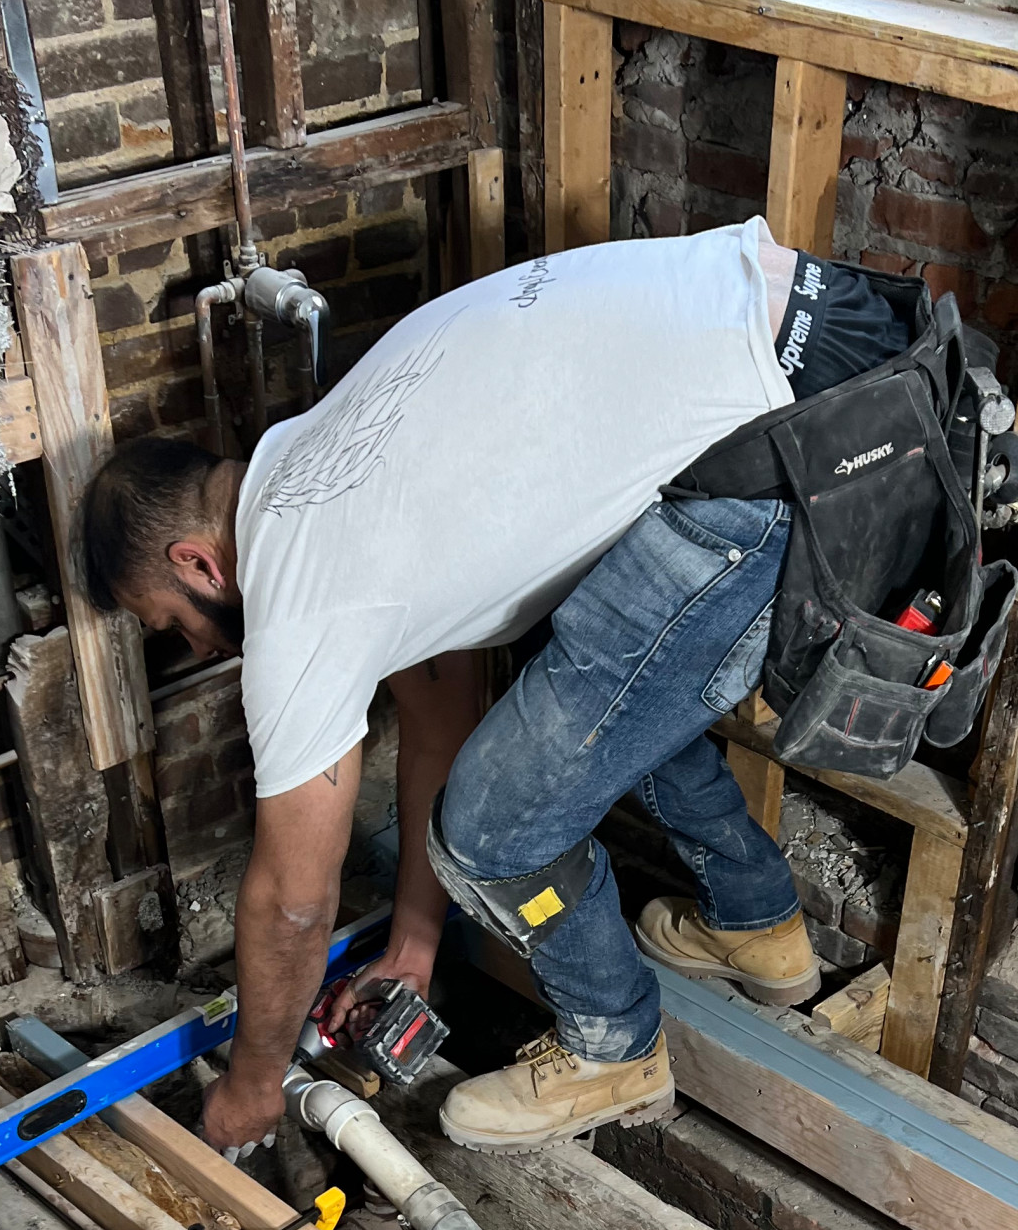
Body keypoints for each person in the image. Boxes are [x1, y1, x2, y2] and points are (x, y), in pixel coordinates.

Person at [78, 219, 922, 1155]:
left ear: (197, 563)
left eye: (172, 624)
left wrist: (251, 1084)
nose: (195, 649)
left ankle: (615, 1048)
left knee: (489, 826)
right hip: (836, 338)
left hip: (800, 448)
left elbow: (292, 903)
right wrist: (414, 941)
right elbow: (439, 721)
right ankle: (758, 924)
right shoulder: (315, 462)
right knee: (607, 695)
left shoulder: (297, 587)